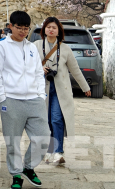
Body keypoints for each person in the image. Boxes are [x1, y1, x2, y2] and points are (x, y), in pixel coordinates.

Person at [0, 11, 50, 189]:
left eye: (26, 28)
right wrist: (3, 97)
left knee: (43, 136)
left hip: (34, 100)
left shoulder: (31, 47)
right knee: (13, 141)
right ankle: (16, 174)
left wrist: (41, 95)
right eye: (19, 28)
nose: (23, 31)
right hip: (11, 99)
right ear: (11, 26)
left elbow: (39, 73)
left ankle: (28, 167)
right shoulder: (2, 46)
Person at [36, 17, 91, 166]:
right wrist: (39, 68)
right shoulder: (36, 46)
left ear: (59, 31)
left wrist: (85, 87)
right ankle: (49, 151)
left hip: (60, 90)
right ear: (44, 29)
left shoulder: (65, 49)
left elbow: (75, 69)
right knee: (46, 121)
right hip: (41, 89)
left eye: (54, 27)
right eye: (48, 27)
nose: (51, 30)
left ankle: (58, 152)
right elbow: (27, 66)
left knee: (57, 119)